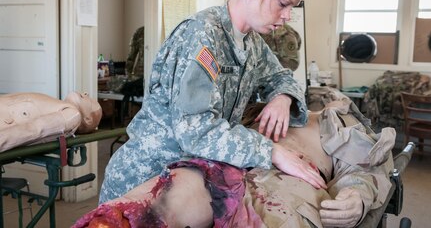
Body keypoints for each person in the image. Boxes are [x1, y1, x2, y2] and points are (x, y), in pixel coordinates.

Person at [99, 0, 326, 204]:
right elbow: (196, 130)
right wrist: (271, 151)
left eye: (293, 7)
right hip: (145, 183)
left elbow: (281, 76)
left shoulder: (251, 43)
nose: (287, 16)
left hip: (187, 184)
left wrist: (283, 97)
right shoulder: (202, 35)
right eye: (283, 3)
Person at [74, 88, 396, 228]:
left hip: (290, 186)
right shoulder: (259, 109)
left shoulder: (336, 121)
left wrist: (356, 197)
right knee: (144, 209)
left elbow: (366, 167)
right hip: (231, 164)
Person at [0, 91, 102, 152]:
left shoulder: (73, 115)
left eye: (91, 101)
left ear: (88, 120)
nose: (86, 93)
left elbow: (34, 129)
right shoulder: (58, 105)